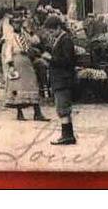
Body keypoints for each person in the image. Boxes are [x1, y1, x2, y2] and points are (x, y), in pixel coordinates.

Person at [1, 10, 49, 122]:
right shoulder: (9, 36)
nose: (18, 25)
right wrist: (10, 64)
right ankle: (19, 112)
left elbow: (36, 41)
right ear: (12, 24)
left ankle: (37, 113)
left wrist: (30, 31)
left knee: (33, 84)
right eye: (15, 23)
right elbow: (8, 51)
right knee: (17, 86)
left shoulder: (24, 34)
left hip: (27, 61)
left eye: (20, 22)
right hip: (16, 60)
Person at [40, 14, 77, 145]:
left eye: (51, 31)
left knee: (62, 108)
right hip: (60, 79)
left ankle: (67, 136)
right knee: (62, 108)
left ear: (58, 28)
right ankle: (68, 134)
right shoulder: (60, 39)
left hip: (63, 80)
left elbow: (68, 61)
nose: (50, 34)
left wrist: (50, 58)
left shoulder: (65, 40)